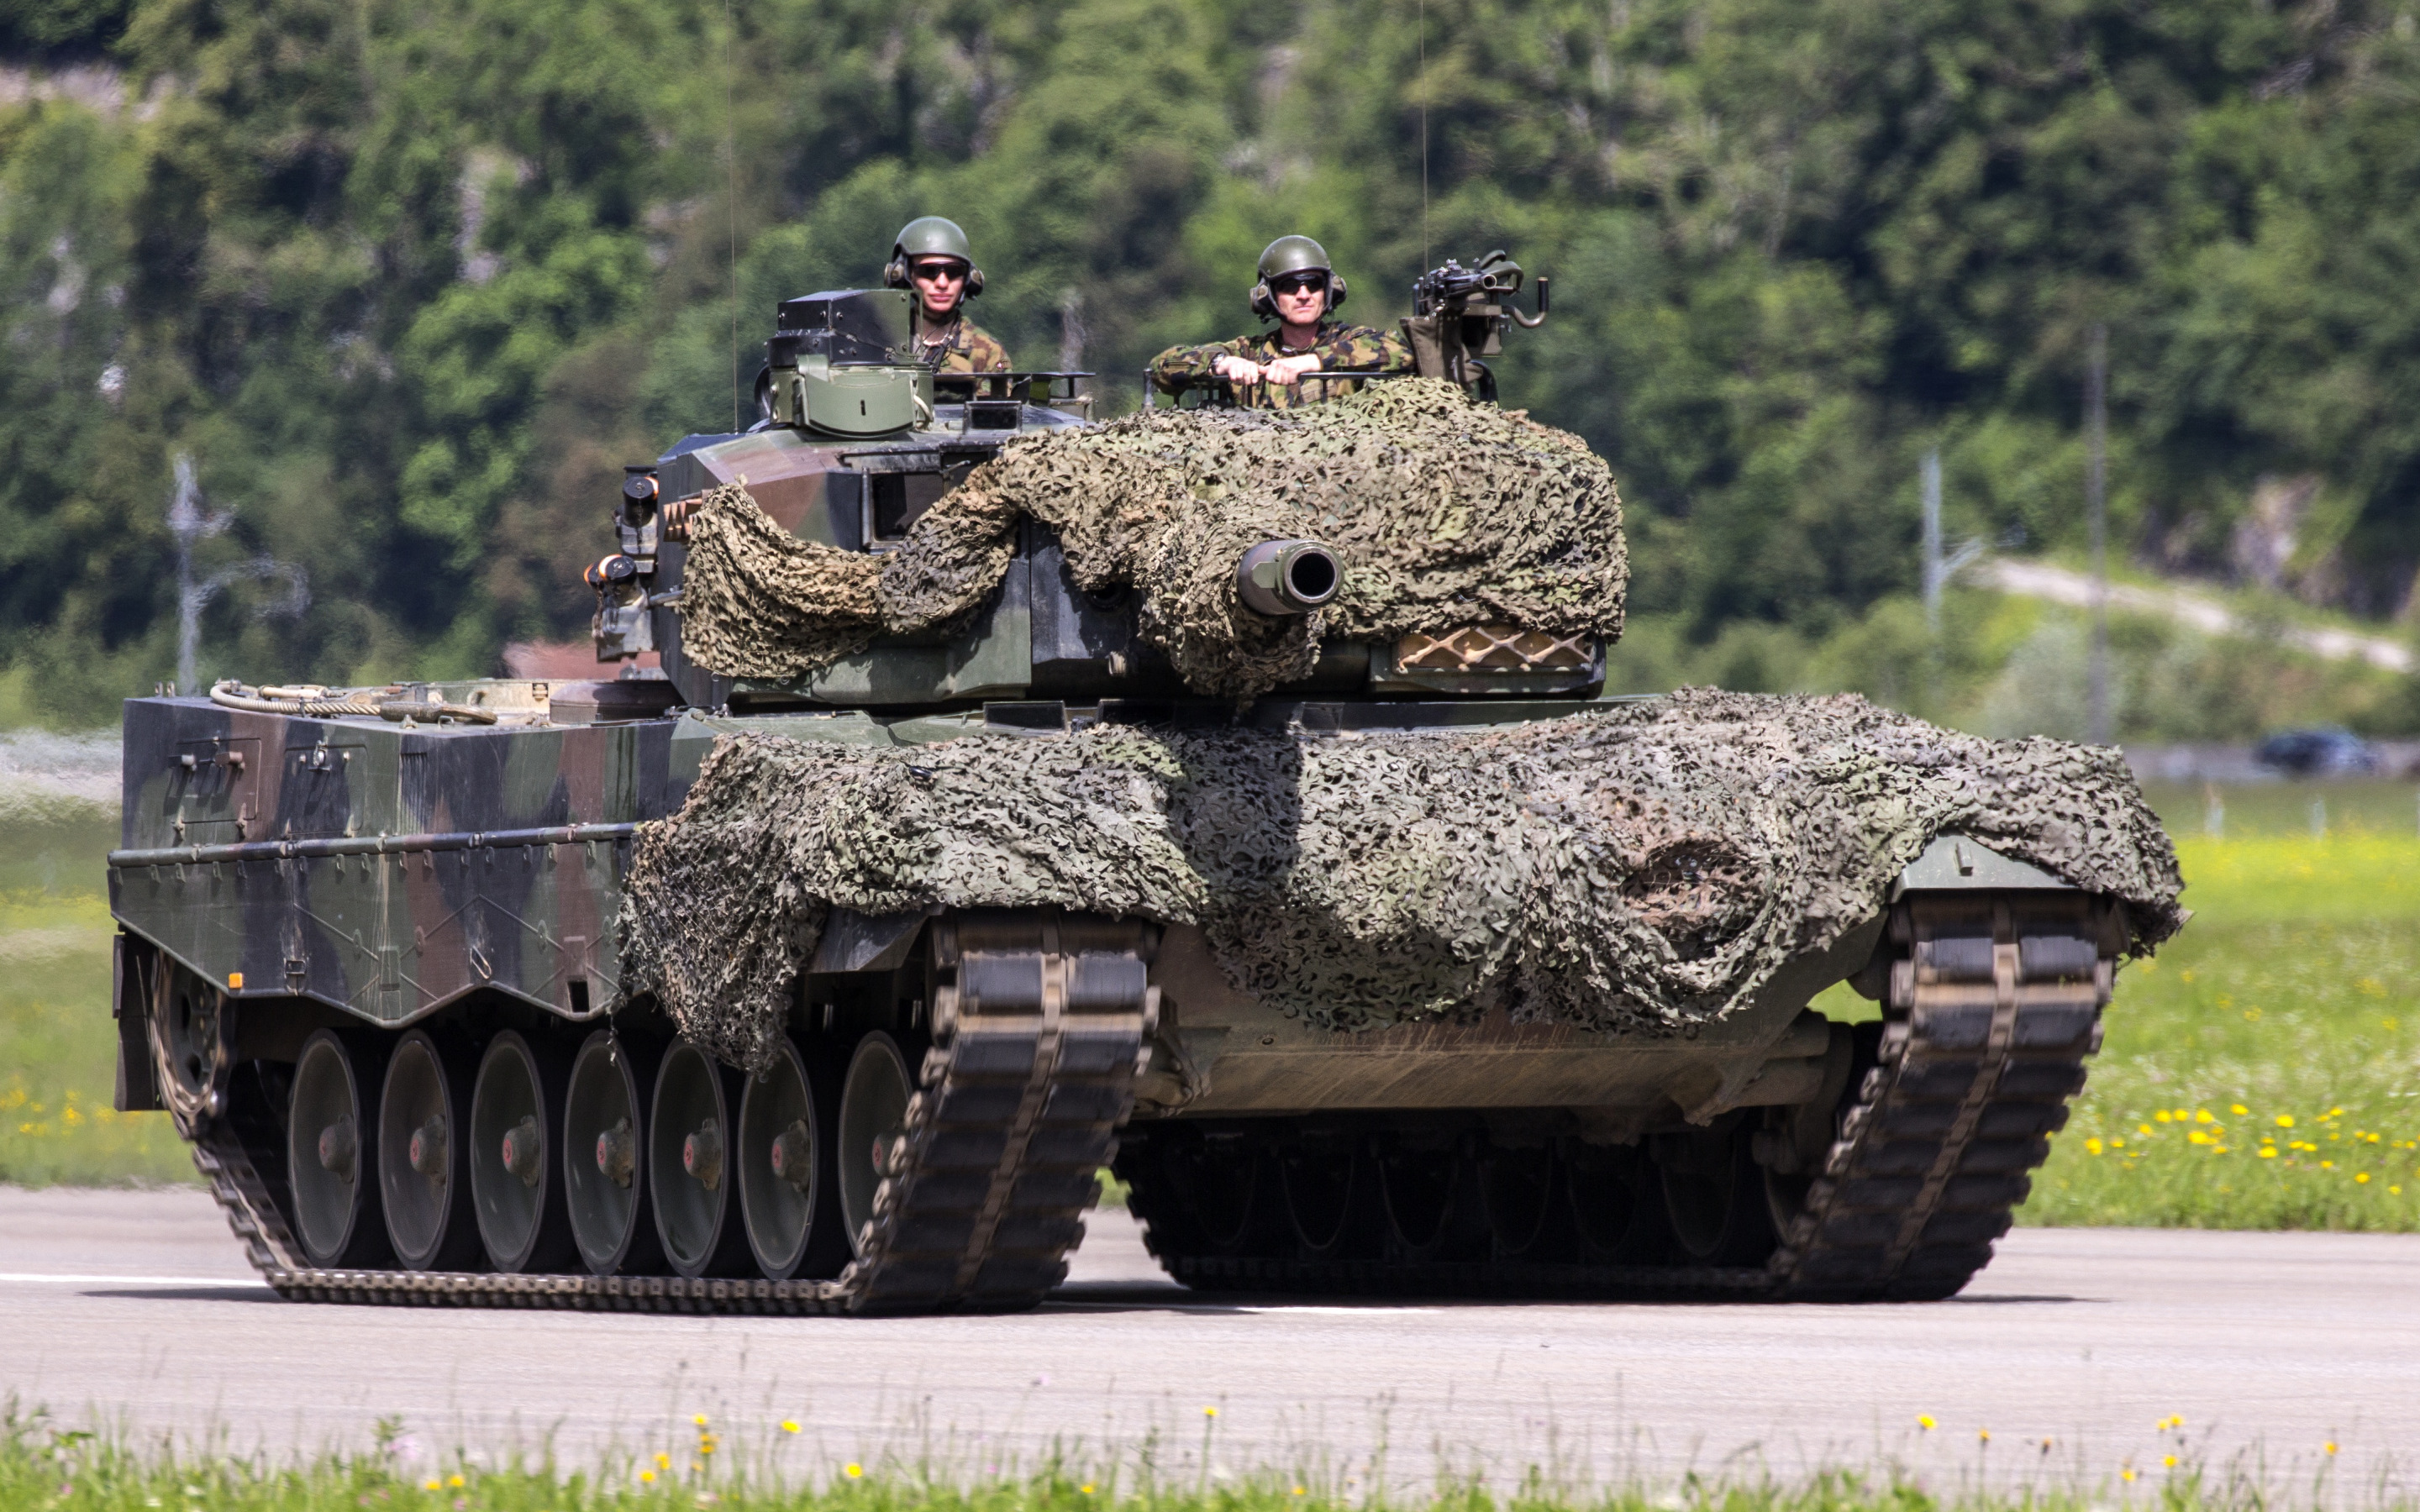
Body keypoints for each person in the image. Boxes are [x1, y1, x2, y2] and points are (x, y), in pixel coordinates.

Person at [1149, 235, 1409, 408]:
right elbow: (1164, 365)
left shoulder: (1347, 342)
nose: (1304, 295)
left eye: (1314, 284)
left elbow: (1400, 351)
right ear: (1269, 295)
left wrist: (1314, 362)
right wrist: (1221, 363)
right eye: (1290, 287)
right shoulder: (1251, 353)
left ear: (1328, 290)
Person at [885, 216, 1011, 373]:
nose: (942, 283)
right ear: (906, 274)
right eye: (929, 271)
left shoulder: (987, 352)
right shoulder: (880, 342)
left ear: (969, 278)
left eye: (954, 272)